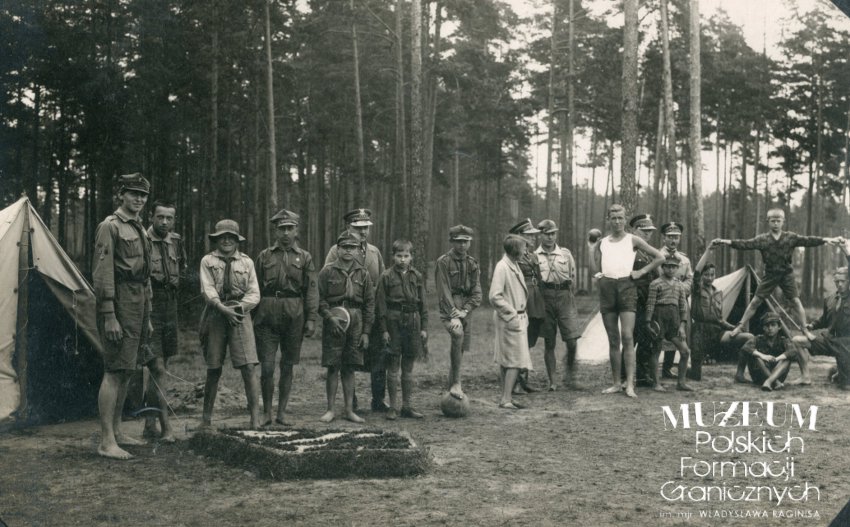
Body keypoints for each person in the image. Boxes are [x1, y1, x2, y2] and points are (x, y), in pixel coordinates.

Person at [92, 173, 154, 459]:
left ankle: (117, 431)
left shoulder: (139, 227)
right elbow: (103, 273)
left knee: (128, 369)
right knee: (115, 369)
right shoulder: (110, 226)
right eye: (133, 193)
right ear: (121, 195)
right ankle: (106, 441)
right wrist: (109, 315)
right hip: (119, 301)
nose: (139, 199)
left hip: (138, 302)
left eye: (143, 195)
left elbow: (145, 274)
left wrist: (147, 315)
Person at [714, 208, 843, 341]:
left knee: (795, 301)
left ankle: (805, 330)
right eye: (773, 221)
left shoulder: (790, 237)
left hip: (786, 275)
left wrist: (827, 239)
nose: (776, 223)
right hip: (770, 275)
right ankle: (740, 326)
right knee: (755, 301)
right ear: (768, 221)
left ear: (783, 221)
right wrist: (726, 242)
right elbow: (745, 244)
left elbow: (808, 240)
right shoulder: (762, 239)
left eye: (778, 221)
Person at [589, 204, 664, 398]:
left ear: (625, 219)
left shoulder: (633, 239)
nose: (617, 222)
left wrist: (641, 271)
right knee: (613, 339)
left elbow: (659, 257)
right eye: (613, 218)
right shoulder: (602, 243)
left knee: (627, 336)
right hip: (607, 288)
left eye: (620, 218)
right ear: (608, 220)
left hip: (627, 287)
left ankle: (630, 384)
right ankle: (616, 383)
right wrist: (593, 257)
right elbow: (595, 268)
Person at [253, 209, 318, 426]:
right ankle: (266, 413)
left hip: (294, 314)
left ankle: (281, 412)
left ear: (296, 230)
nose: (286, 233)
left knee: (288, 366)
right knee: (267, 367)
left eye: (290, 228)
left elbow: (311, 290)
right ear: (275, 231)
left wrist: (311, 318)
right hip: (267, 314)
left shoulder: (305, 257)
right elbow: (254, 288)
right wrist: (252, 316)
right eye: (282, 229)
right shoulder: (264, 256)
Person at [198, 219, 261, 429]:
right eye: (222, 237)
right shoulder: (207, 261)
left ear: (237, 240)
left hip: (240, 314)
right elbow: (207, 289)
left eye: (231, 237)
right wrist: (222, 308)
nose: (226, 241)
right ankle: (206, 419)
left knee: (249, 366)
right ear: (216, 240)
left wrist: (239, 308)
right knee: (213, 367)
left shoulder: (247, 262)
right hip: (216, 314)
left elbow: (254, 293)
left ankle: (255, 419)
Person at [325, 208, 387, 412]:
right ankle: (351, 402)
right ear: (348, 227)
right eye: (358, 227)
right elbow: (330, 279)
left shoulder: (374, 252)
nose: (362, 232)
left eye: (366, 227)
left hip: (371, 310)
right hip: (346, 312)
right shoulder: (337, 250)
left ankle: (378, 400)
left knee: (378, 355)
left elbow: (381, 282)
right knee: (348, 357)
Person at [318, 231, 376, 423]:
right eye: (344, 247)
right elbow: (319, 299)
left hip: (356, 320)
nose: (348, 251)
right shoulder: (327, 272)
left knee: (350, 367)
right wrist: (329, 317)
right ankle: (330, 410)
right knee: (333, 366)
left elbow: (369, 304)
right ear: (338, 249)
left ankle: (349, 410)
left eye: (352, 247)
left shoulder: (363, 274)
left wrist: (366, 332)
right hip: (334, 319)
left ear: (358, 250)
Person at [143, 199, 186, 442]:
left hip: (171, 306)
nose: (164, 222)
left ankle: (149, 424)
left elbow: (182, 270)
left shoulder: (176, 241)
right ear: (151, 217)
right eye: (160, 217)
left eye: (169, 218)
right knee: (157, 368)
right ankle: (166, 428)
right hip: (150, 305)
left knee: (160, 369)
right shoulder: (142, 239)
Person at [375, 239, 427, 420]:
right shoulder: (386, 276)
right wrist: (384, 330)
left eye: (406, 256)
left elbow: (423, 304)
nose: (402, 259)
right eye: (399, 256)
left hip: (413, 321)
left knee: (408, 366)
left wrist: (424, 328)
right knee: (393, 365)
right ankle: (393, 407)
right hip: (393, 321)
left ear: (411, 257)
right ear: (393, 256)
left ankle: (407, 406)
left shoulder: (417, 276)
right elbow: (381, 307)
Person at [689, 241, 755, 382]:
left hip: (717, 332)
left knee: (748, 337)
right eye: (706, 275)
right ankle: (687, 370)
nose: (709, 277)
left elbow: (719, 319)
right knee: (696, 376)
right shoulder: (697, 289)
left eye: (712, 274)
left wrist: (734, 328)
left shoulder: (718, 293)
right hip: (699, 331)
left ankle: (740, 374)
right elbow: (696, 272)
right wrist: (708, 250)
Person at [435, 224, 482, 400]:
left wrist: (466, 310)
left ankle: (451, 390)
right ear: (452, 242)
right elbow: (443, 290)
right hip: (449, 307)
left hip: (465, 309)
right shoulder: (443, 262)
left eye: (465, 241)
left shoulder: (472, 263)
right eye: (458, 241)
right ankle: (456, 383)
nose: (462, 245)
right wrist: (454, 313)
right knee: (457, 334)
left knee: (460, 347)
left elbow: (477, 292)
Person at [534, 219, 582, 391]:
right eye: (547, 234)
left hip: (564, 297)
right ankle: (553, 381)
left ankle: (570, 375)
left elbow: (573, 276)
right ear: (540, 235)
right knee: (549, 341)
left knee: (572, 340)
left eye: (553, 233)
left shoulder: (565, 254)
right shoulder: (534, 256)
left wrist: (568, 295)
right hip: (545, 297)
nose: (550, 237)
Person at [490, 235, 533, 410]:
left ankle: (506, 396)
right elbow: (494, 296)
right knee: (514, 360)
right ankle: (506, 398)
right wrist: (512, 313)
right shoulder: (502, 267)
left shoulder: (513, 265)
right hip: (510, 319)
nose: (526, 251)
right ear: (515, 249)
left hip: (515, 318)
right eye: (524, 248)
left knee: (508, 359)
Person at [792, 261, 850, 391]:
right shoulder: (829, 299)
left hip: (847, 345)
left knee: (846, 387)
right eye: (837, 281)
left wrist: (846, 252)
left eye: (843, 281)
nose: (840, 284)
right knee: (797, 341)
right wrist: (811, 325)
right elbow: (824, 319)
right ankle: (805, 377)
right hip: (830, 340)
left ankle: (840, 372)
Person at [644, 255, 694, 391]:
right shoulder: (655, 284)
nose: (671, 270)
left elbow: (683, 306)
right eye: (668, 266)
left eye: (674, 267)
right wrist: (648, 322)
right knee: (656, 351)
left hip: (674, 321)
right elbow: (650, 304)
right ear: (662, 267)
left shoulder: (679, 285)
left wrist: (682, 326)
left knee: (685, 351)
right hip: (659, 319)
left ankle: (681, 383)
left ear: (677, 268)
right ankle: (656, 383)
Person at [508, 218, 543, 393]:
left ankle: (523, 379)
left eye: (533, 235)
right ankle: (515, 382)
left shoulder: (533, 255)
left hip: (535, 298)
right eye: (529, 235)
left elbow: (539, 277)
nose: (533, 238)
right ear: (519, 236)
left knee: (529, 337)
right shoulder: (513, 257)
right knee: (519, 338)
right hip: (522, 298)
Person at [657, 222, 694, 380]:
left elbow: (690, 279)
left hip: (680, 302)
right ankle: (650, 372)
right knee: (660, 335)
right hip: (662, 300)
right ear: (664, 238)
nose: (673, 240)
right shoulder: (657, 256)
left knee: (678, 333)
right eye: (670, 237)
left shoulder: (684, 259)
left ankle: (667, 368)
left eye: (676, 237)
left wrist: (680, 290)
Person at [628, 214, 660, 386]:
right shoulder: (629, 250)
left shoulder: (649, 252)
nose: (648, 234)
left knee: (646, 337)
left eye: (650, 231)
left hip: (648, 299)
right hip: (634, 298)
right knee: (630, 338)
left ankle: (642, 375)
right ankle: (624, 375)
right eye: (644, 231)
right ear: (635, 230)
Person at [744, 312, 800, 391]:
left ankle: (769, 382)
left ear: (779, 327)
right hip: (760, 377)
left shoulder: (783, 340)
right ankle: (774, 382)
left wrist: (776, 359)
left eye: (773, 325)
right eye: (767, 326)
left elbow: (793, 351)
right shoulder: (757, 339)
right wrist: (763, 356)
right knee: (757, 357)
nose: (770, 328)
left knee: (787, 359)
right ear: (763, 328)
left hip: (779, 375)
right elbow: (746, 348)